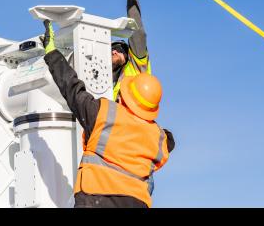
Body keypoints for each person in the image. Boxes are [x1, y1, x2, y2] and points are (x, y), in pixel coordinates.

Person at [41, 20, 174, 208]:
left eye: (120, 49)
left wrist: (51, 52)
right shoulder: (157, 137)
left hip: (96, 198)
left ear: (123, 95)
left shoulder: (103, 112)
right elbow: (170, 142)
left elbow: (71, 87)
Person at [112, 0, 150, 102]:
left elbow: (137, 32)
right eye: (111, 50)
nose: (114, 52)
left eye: (118, 50)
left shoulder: (137, 67)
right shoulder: (107, 83)